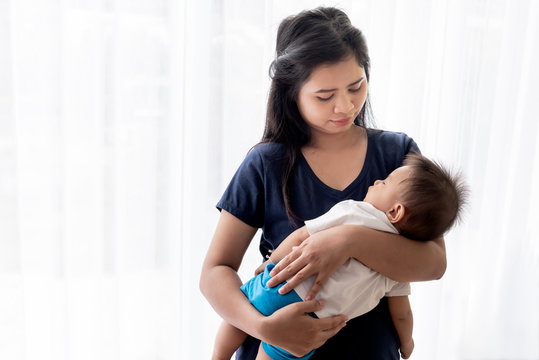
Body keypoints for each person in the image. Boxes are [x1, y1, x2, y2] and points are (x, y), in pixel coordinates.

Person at [200, 6, 448, 360]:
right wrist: (262, 327)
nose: (344, 106)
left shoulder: (398, 156)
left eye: (355, 86)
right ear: (292, 92)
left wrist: (347, 239)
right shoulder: (266, 162)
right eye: (324, 96)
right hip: (274, 343)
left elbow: (434, 263)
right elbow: (214, 271)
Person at [211, 153, 467, 360]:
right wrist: (408, 343)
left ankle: (218, 356)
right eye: (325, 96)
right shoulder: (400, 263)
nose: (378, 182)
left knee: (243, 307)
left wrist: (271, 261)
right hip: (311, 321)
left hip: (279, 284)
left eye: (385, 183)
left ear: (396, 211)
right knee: (274, 353)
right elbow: (402, 314)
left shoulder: (354, 212)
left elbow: (302, 235)